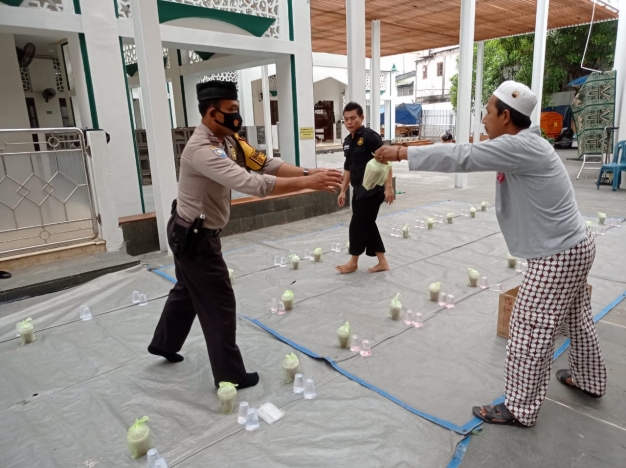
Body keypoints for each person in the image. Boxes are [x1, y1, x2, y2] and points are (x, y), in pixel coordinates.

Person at [375, 81, 606, 428]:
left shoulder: (519, 146)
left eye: (488, 111)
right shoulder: (524, 145)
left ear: (506, 116)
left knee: (530, 329)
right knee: (576, 319)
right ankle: (590, 381)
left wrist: (401, 153)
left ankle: (520, 408)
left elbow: (463, 156)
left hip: (557, 254)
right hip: (572, 246)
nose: (484, 118)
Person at [148, 80, 343, 390]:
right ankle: (230, 375)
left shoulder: (228, 140)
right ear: (213, 113)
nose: (237, 117)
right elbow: (256, 184)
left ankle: (164, 343)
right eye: (232, 111)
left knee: (186, 291)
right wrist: (310, 183)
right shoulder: (203, 150)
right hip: (196, 239)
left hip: (188, 231)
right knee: (219, 304)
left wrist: (308, 172)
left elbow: (265, 164)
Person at [336, 102, 394, 274]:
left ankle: (353, 262)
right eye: (346, 119)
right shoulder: (347, 141)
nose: (349, 122)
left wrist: (388, 187)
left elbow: (387, 159)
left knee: (357, 225)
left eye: (353, 118)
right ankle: (382, 262)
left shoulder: (370, 137)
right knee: (368, 224)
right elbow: (348, 168)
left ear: (362, 118)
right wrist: (343, 190)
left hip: (373, 190)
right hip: (358, 191)